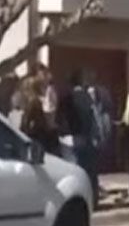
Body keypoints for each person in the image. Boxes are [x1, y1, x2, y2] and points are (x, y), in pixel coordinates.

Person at [58, 69, 100, 202]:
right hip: (83, 136)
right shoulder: (86, 97)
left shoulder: (65, 97)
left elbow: (59, 117)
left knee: (72, 171)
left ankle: (74, 198)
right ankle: (92, 197)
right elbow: (93, 117)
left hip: (67, 138)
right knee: (88, 169)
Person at [21, 76, 59, 154]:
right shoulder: (45, 100)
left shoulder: (33, 102)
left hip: (38, 136)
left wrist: (23, 131)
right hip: (48, 134)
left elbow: (26, 121)